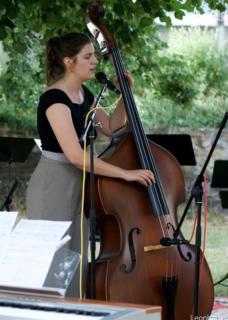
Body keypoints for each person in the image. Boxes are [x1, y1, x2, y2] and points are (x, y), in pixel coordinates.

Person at [26, 33, 155, 297]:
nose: (95, 61)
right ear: (68, 62)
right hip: (53, 184)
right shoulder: (54, 99)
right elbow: (75, 155)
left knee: (76, 260)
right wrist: (125, 174)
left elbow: (112, 128)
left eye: (94, 55)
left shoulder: (85, 95)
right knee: (52, 264)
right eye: (88, 56)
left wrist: (124, 95)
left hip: (79, 182)